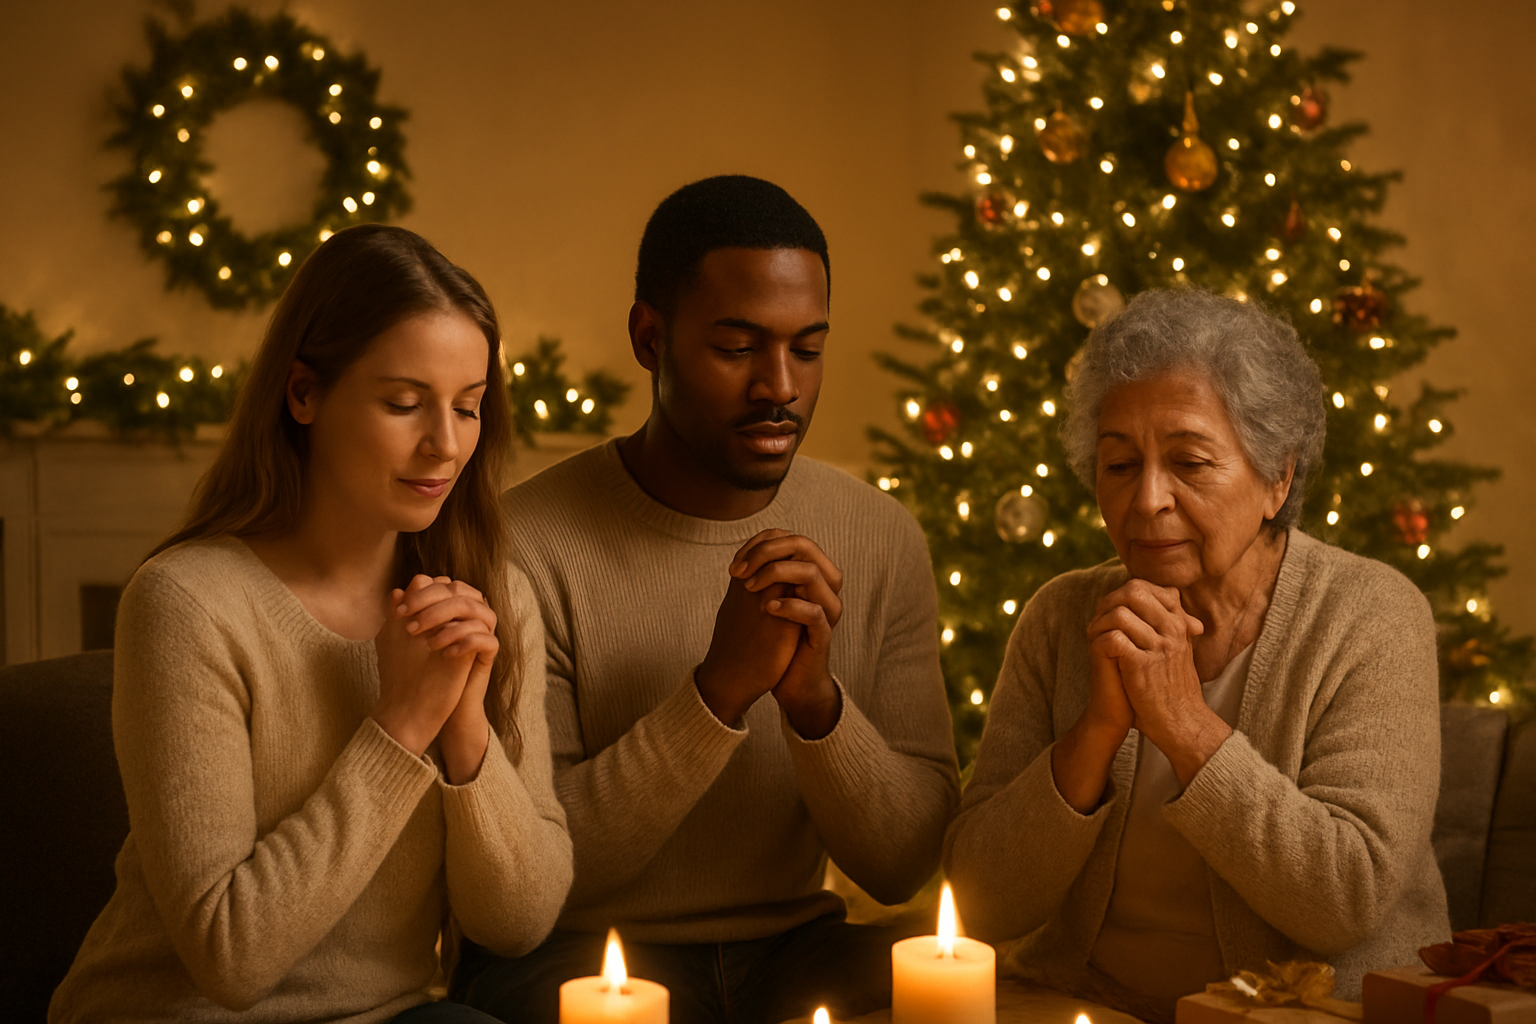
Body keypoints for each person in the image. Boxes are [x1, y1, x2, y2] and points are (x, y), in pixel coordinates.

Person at [453, 175, 959, 1024]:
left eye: (807, 348)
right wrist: (717, 694)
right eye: (738, 348)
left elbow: (903, 865)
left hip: (799, 948)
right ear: (650, 338)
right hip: (579, 954)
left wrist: (816, 708)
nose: (781, 386)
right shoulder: (521, 545)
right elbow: (542, 873)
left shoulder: (880, 535)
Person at [49, 225, 572, 1024]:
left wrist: (466, 731)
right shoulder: (187, 602)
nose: (445, 445)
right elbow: (230, 957)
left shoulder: (491, 595)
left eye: (467, 408)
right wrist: (400, 727)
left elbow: (517, 923)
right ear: (303, 394)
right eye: (403, 403)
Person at [943, 288, 1450, 1023]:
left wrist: (1184, 725)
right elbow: (980, 898)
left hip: (1295, 1015)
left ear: (1278, 477)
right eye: (1119, 465)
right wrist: (1093, 735)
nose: (1148, 499)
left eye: (1190, 462)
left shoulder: (1371, 614)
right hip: (1082, 1004)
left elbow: (1349, 897)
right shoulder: (1061, 617)